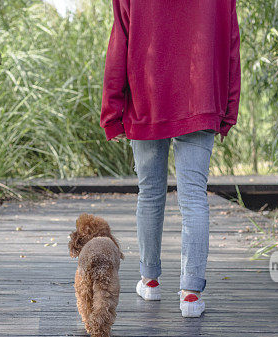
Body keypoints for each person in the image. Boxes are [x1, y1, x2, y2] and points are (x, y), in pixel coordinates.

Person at [100, 0, 241, 318]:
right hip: (202, 97)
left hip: (147, 98)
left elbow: (119, 43)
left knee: (149, 193)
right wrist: (228, 110)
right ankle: (190, 295)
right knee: (194, 197)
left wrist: (113, 111)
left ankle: (149, 281)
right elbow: (232, 44)